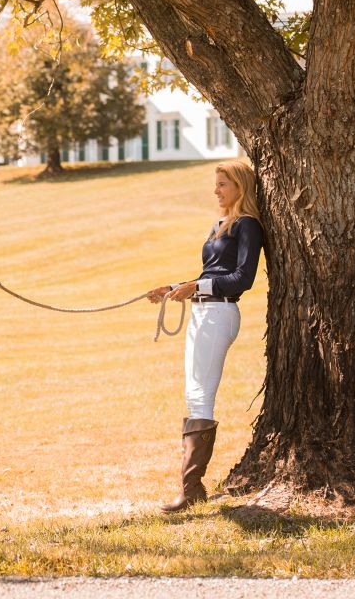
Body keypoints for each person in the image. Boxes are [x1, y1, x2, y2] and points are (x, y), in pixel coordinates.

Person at [146, 158, 264, 513]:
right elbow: (210, 272)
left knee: (200, 396)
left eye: (222, 184)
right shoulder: (221, 225)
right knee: (193, 393)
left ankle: (191, 488)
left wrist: (197, 286)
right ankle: (190, 487)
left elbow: (243, 278)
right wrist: (172, 287)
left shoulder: (248, 226)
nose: (216, 190)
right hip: (203, 311)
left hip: (220, 312)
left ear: (239, 187)